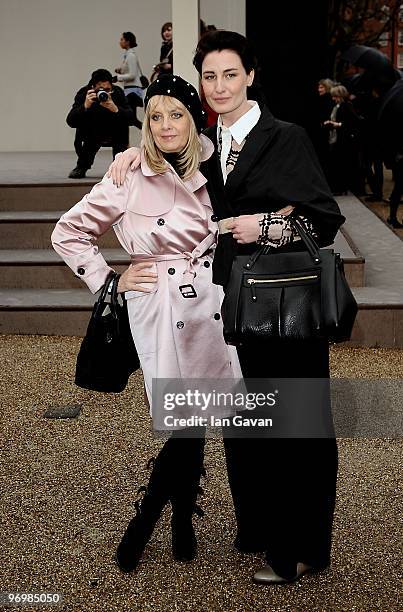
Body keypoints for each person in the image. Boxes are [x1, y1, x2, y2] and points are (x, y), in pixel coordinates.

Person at [109, 30, 345, 585]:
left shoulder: (285, 137)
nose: (219, 87)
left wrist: (262, 224)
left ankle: (303, 547)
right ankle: (261, 528)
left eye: (230, 75)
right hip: (230, 308)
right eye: (209, 77)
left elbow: (325, 219)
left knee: (299, 424)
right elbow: (170, 176)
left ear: (251, 76)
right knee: (251, 424)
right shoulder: (208, 148)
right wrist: (130, 156)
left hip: (286, 307)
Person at [52, 74, 243, 573]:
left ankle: (179, 516)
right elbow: (67, 232)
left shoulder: (218, 168)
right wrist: (109, 281)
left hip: (213, 303)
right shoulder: (128, 175)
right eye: (154, 116)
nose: (164, 126)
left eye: (175, 114)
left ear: (193, 117)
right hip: (159, 308)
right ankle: (150, 516)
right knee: (185, 413)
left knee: (198, 411)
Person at [66, 69, 134, 179]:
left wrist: (116, 109)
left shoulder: (117, 93)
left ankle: (120, 167)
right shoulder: (84, 94)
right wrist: (85, 106)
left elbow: (131, 118)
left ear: (112, 86)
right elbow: (70, 121)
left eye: (108, 89)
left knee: (122, 125)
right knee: (88, 135)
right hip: (92, 132)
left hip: (115, 132)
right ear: (92, 87)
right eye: (100, 90)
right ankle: (82, 166)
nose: (104, 93)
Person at [323, 84, 361, 194]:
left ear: (340, 95)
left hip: (344, 140)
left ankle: (340, 188)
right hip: (336, 137)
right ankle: (338, 188)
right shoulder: (337, 106)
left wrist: (337, 124)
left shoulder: (346, 105)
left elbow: (353, 122)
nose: (333, 98)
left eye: (335, 96)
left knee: (341, 165)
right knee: (337, 164)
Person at [114, 31, 144, 129]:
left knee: (130, 119)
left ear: (128, 41)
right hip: (129, 89)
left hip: (132, 91)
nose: (120, 42)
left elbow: (132, 75)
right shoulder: (127, 55)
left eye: (122, 39)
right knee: (131, 119)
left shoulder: (131, 56)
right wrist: (120, 70)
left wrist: (118, 78)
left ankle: (149, 134)